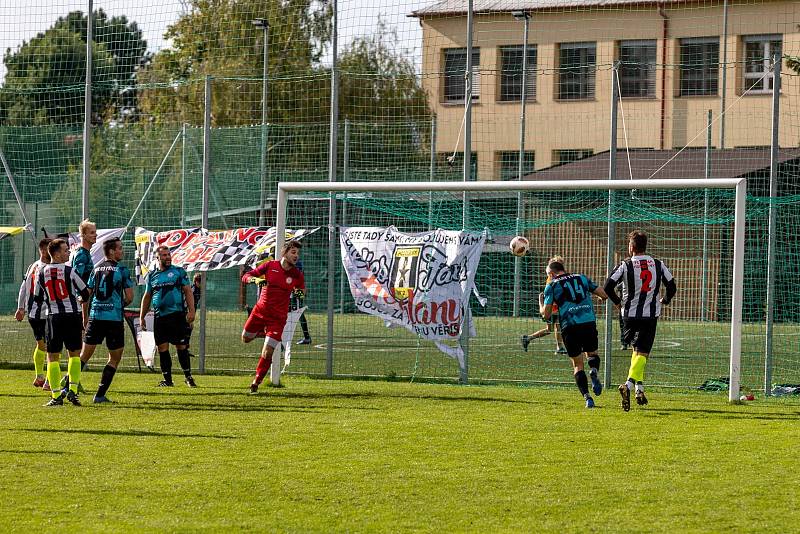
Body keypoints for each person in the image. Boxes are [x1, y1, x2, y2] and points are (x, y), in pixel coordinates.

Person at [603, 230, 677, 412]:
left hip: (629, 315)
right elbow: (672, 285)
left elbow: (607, 286)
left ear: (631, 247)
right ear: (645, 246)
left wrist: (618, 302)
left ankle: (639, 389)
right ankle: (628, 385)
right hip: (650, 316)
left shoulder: (625, 265)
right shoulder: (658, 264)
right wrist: (665, 300)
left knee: (637, 352)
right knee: (642, 353)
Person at [540, 259, 608, 409]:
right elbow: (603, 293)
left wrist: (540, 305)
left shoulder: (551, 285)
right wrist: (600, 297)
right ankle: (594, 371)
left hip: (569, 326)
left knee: (577, 364)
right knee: (592, 353)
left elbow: (546, 314)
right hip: (588, 321)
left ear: (551, 274)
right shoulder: (581, 278)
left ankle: (587, 398)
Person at [241, 240, 305, 394]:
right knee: (245, 338)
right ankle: (264, 333)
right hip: (259, 312)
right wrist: (255, 279)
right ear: (285, 252)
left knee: (268, 351)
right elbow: (246, 276)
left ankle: (256, 382)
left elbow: (302, 289)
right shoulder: (270, 266)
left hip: (278, 319)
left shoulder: (297, 274)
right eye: (293, 252)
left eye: (298, 253)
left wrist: (300, 293)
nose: (296, 256)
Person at [34, 238, 90, 407]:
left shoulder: (41, 272)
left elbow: (37, 298)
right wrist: (77, 297)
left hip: (54, 317)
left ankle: (56, 395)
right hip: (72, 316)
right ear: (56, 254)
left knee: (53, 357)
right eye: (66, 250)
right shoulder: (69, 271)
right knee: (74, 354)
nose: (68, 253)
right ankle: (72, 391)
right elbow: (85, 293)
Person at [78, 238, 134, 403]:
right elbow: (129, 297)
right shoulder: (121, 270)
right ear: (111, 251)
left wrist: (85, 316)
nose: (121, 251)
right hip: (113, 319)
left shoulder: (95, 269)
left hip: (95, 317)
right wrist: (118, 305)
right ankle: (100, 395)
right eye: (119, 249)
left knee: (83, 356)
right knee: (114, 358)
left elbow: (85, 295)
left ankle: (68, 386)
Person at [139, 246, 197, 388]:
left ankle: (188, 377)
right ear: (157, 258)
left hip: (177, 315)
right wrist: (142, 316)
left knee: (181, 346)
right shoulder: (152, 276)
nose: (168, 257)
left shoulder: (178, 272)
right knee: (162, 348)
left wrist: (192, 310)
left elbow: (188, 291)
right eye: (164, 255)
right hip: (160, 317)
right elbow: (147, 297)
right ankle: (168, 380)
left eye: (169, 254)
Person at [15, 237, 52, 388]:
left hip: (34, 313)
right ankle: (49, 381)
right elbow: (25, 287)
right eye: (45, 249)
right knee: (50, 347)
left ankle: (40, 376)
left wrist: (21, 307)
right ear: (42, 251)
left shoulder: (33, 265)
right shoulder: (46, 268)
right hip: (44, 313)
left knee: (42, 345)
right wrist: (20, 307)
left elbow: (23, 287)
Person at [521, 256, 567, 354]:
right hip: (552, 308)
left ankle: (528, 338)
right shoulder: (551, 279)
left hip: (555, 307)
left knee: (550, 329)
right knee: (557, 327)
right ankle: (560, 347)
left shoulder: (556, 277)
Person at [293, 259, 311, 345]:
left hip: (296, 290)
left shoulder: (296, 262)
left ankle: (307, 337)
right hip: (296, 290)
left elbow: (297, 277)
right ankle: (307, 337)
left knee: (299, 312)